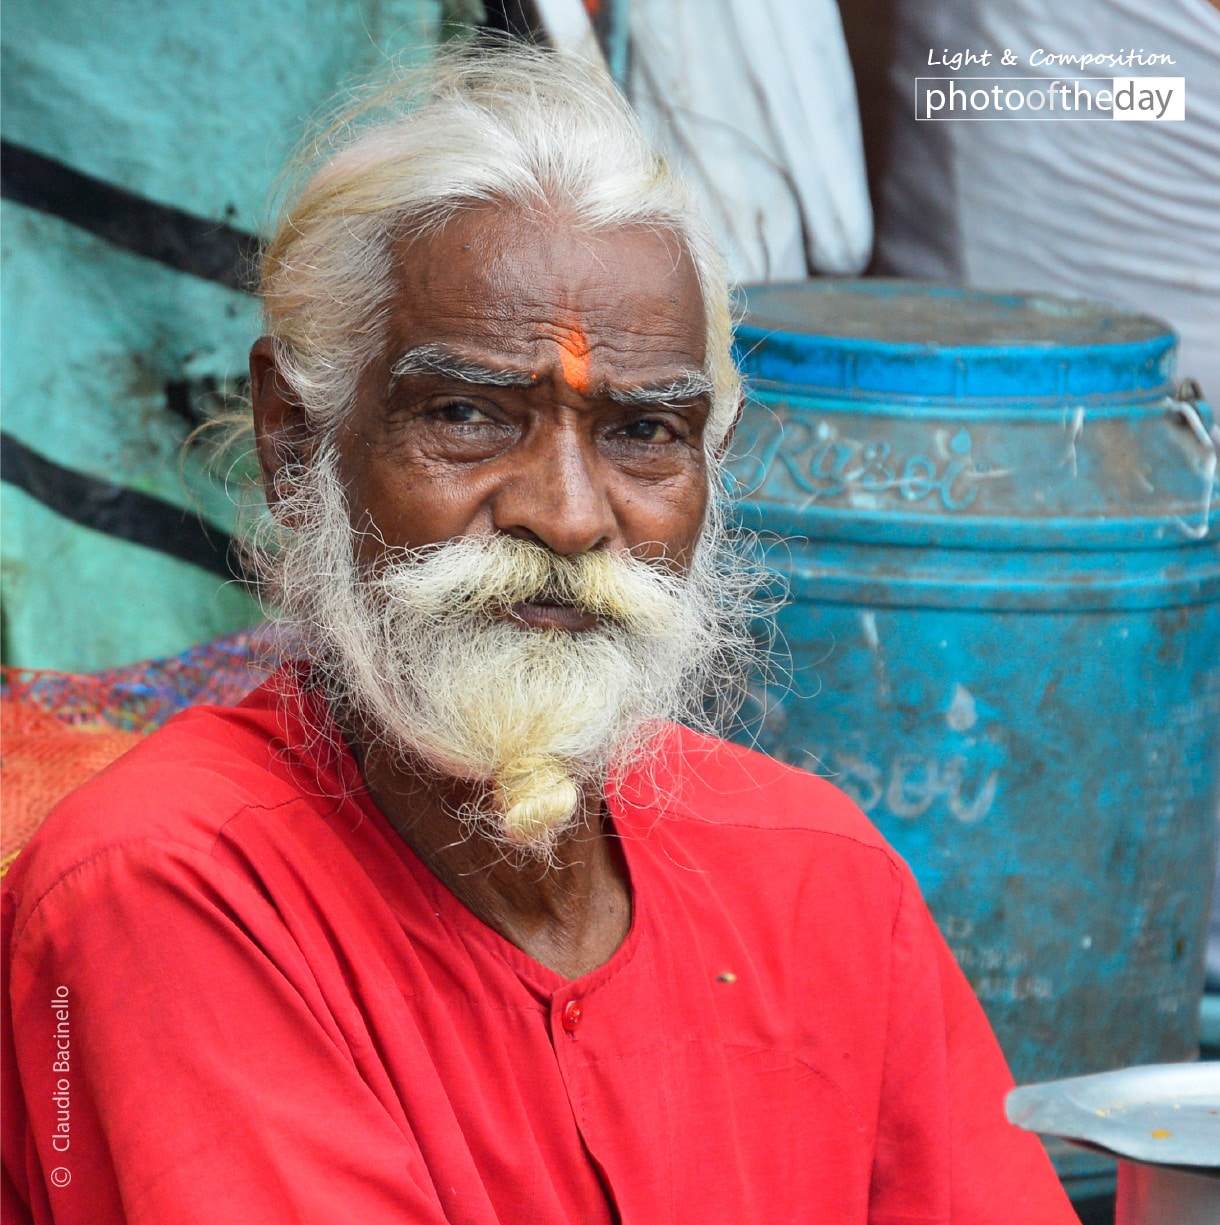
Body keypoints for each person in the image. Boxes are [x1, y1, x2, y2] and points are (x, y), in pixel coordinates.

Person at [1, 46, 1077, 1224]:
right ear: (294, 440)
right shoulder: (169, 885)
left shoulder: (820, 873)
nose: (566, 516)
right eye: (465, 414)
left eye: (642, 433)